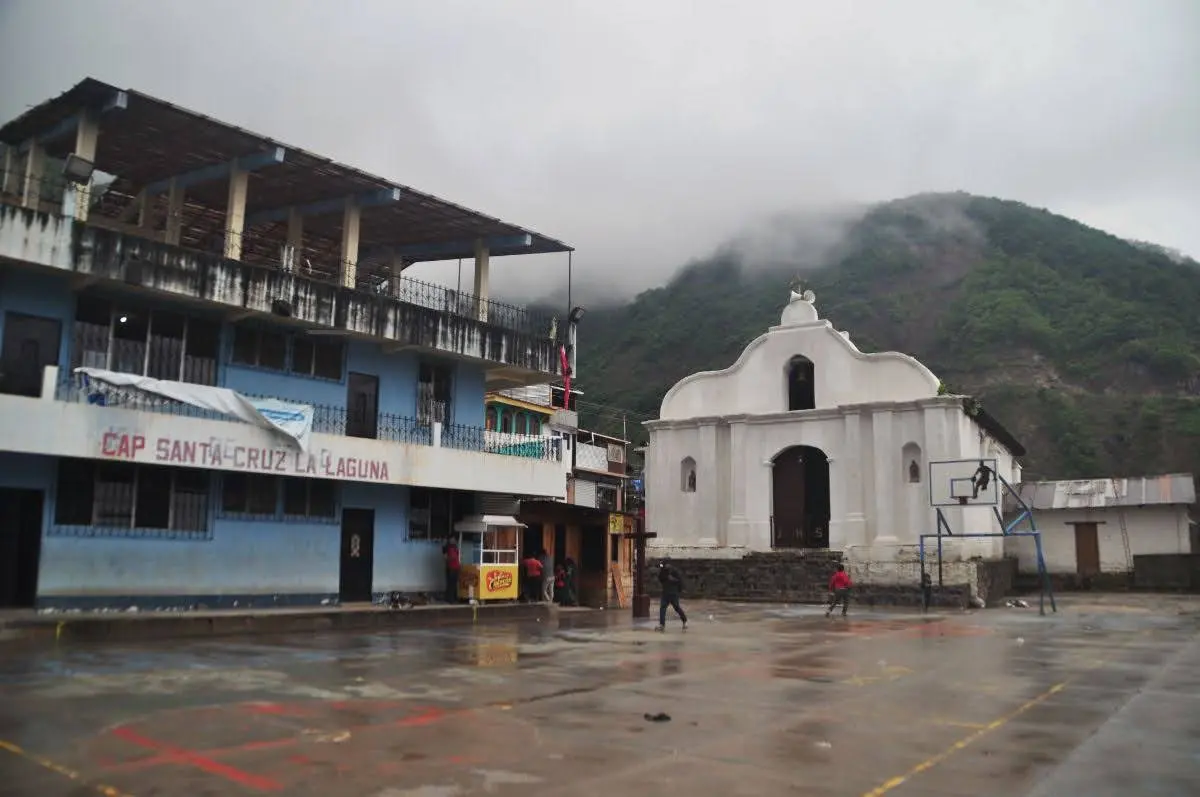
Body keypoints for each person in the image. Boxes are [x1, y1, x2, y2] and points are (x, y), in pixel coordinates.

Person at [655, 558, 688, 631]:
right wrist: (662, 573)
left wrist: (678, 587)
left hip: (673, 593)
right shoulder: (663, 571)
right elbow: (660, 579)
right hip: (665, 593)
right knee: (662, 608)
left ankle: (684, 621)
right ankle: (662, 625)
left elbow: (680, 581)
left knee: (676, 607)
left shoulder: (674, 571)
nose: (663, 566)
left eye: (664, 564)